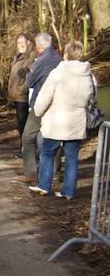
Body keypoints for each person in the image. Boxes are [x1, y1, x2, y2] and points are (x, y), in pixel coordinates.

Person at [29, 41, 94, 199]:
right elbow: (92, 97)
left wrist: (38, 111)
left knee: (47, 153)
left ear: (66, 54)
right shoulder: (88, 75)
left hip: (56, 120)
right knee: (72, 157)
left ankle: (44, 185)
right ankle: (68, 191)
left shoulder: (58, 73)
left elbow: (45, 96)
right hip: (77, 121)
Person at [18, 31, 63, 183]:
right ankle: (55, 173)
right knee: (54, 136)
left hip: (41, 103)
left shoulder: (40, 61)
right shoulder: (60, 59)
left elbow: (30, 82)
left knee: (28, 136)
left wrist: (28, 74)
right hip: (58, 104)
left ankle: (31, 172)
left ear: (38, 46)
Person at [8, 33, 37, 157]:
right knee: (20, 124)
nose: (20, 45)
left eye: (23, 43)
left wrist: (23, 89)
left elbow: (32, 73)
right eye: (18, 43)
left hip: (23, 95)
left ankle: (27, 150)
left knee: (24, 124)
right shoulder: (18, 56)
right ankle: (23, 148)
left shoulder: (31, 55)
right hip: (17, 94)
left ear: (28, 42)